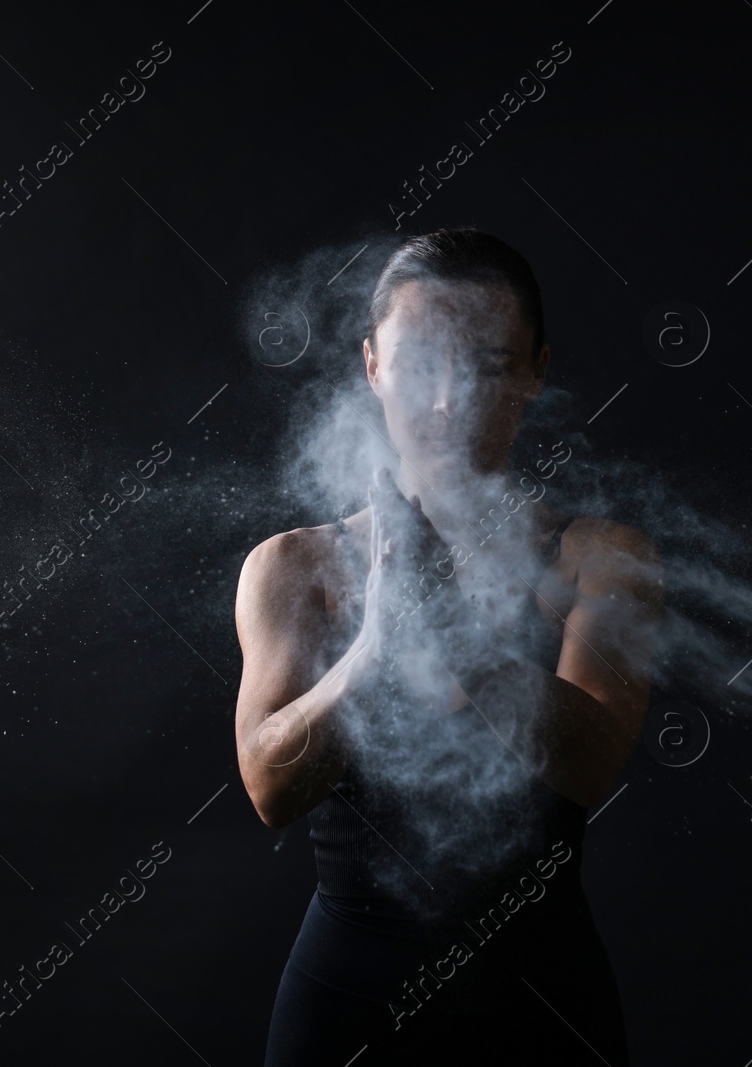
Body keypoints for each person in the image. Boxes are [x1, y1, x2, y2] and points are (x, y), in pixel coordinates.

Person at [234, 228, 662, 1065]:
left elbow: (592, 766)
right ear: (372, 366)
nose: (447, 402)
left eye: (490, 367)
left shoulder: (600, 558)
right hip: (344, 1006)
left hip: (543, 1005)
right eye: (420, 362)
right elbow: (269, 786)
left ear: (537, 370)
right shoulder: (296, 566)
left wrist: (455, 640)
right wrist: (379, 646)